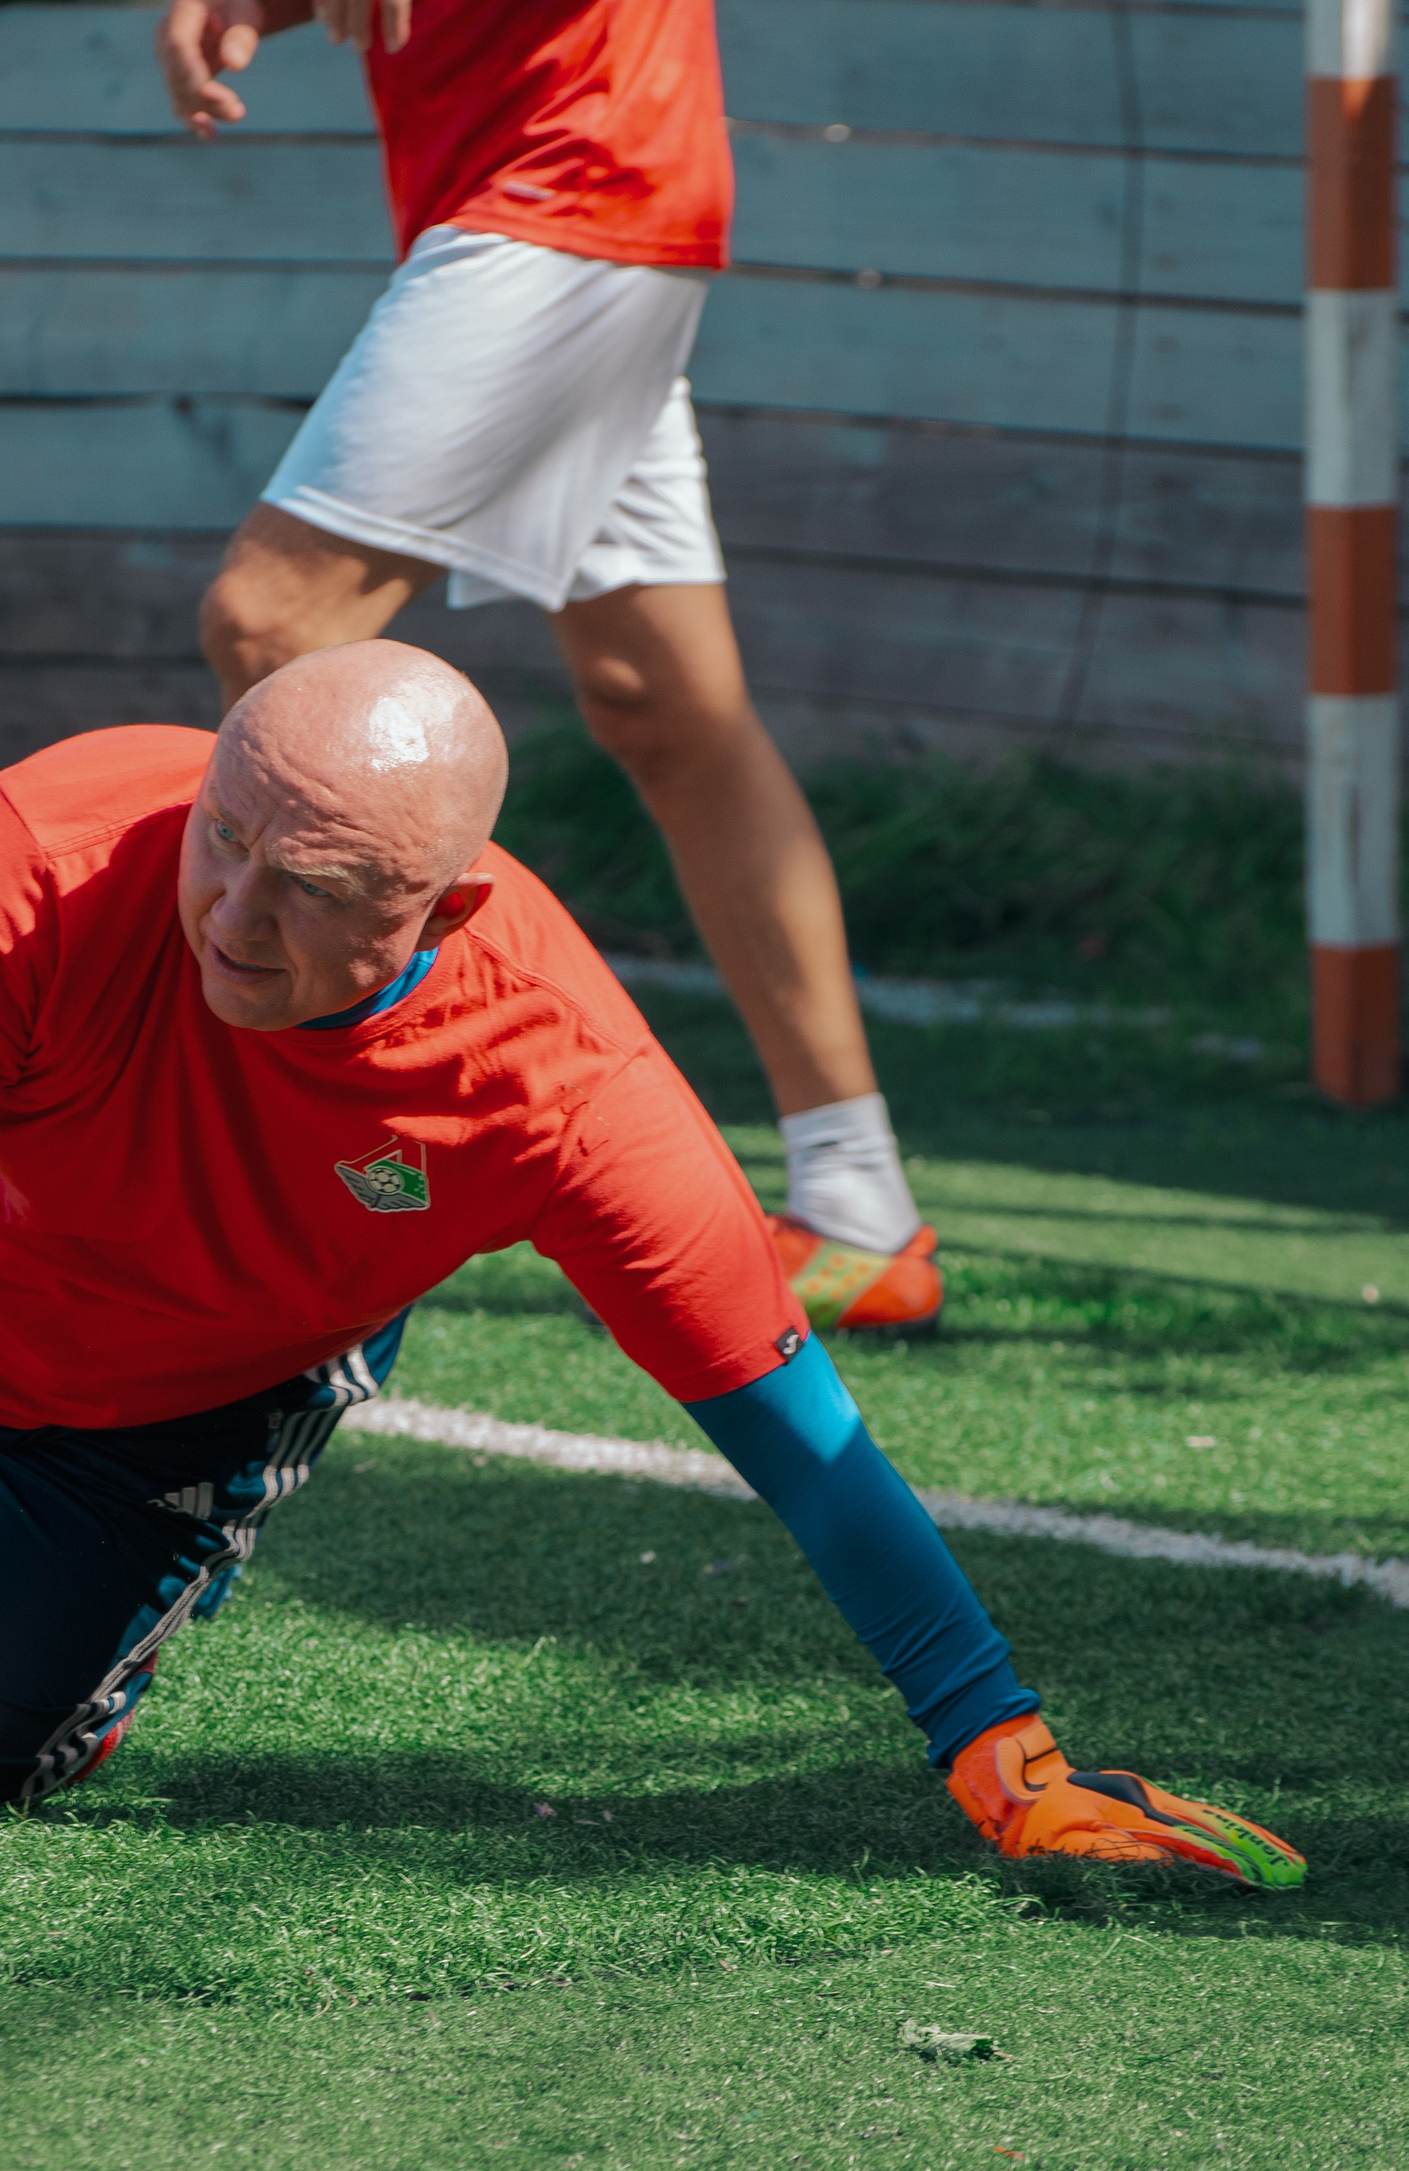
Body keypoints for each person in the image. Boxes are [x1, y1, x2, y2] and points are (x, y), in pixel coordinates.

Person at [0, 643, 1302, 1898]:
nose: (232, 916)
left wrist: (1005, 1761)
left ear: (446, 904)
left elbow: (801, 1441)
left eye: (309, 887)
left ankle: (95, 1596)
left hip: (162, 1413)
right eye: (224, 838)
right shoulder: (37, 853)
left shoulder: (562, 1086)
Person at [152, 0, 940, 1341]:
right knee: (666, 710)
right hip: (554, 193)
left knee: (273, 623)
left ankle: (272, 1143)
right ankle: (861, 1209)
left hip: (574, 186)